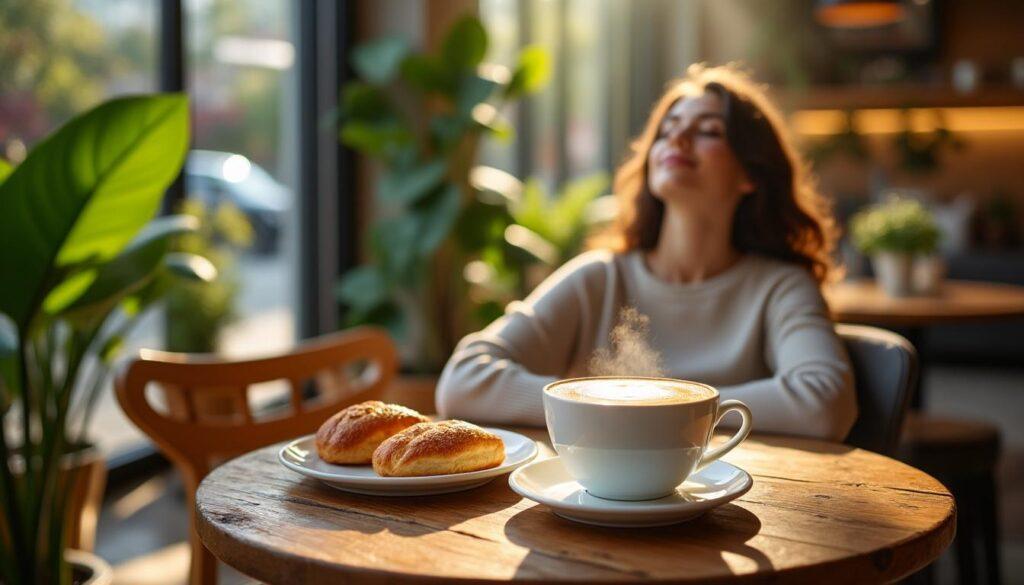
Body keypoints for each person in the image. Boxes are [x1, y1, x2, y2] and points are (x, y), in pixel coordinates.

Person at [435, 64, 857, 441]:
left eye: (708, 130)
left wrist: (652, 407)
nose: (678, 137)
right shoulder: (599, 279)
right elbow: (463, 381)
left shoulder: (780, 286)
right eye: (668, 128)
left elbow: (824, 405)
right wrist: (620, 407)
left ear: (751, 174)